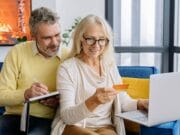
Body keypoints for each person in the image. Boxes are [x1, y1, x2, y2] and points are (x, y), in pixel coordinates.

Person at [51, 15, 148, 135]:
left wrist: (140, 103)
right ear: (80, 39)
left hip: (105, 126)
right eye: (90, 39)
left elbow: (122, 101)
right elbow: (67, 117)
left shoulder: (110, 65)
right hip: (74, 126)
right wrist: (94, 101)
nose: (96, 45)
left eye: (102, 39)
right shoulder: (67, 68)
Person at [0, 7, 68, 135]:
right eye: (47, 38)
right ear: (33, 37)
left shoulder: (68, 56)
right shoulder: (17, 52)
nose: (54, 43)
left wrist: (59, 102)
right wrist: (26, 94)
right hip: (13, 117)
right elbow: (1, 96)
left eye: (57, 35)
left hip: (46, 120)